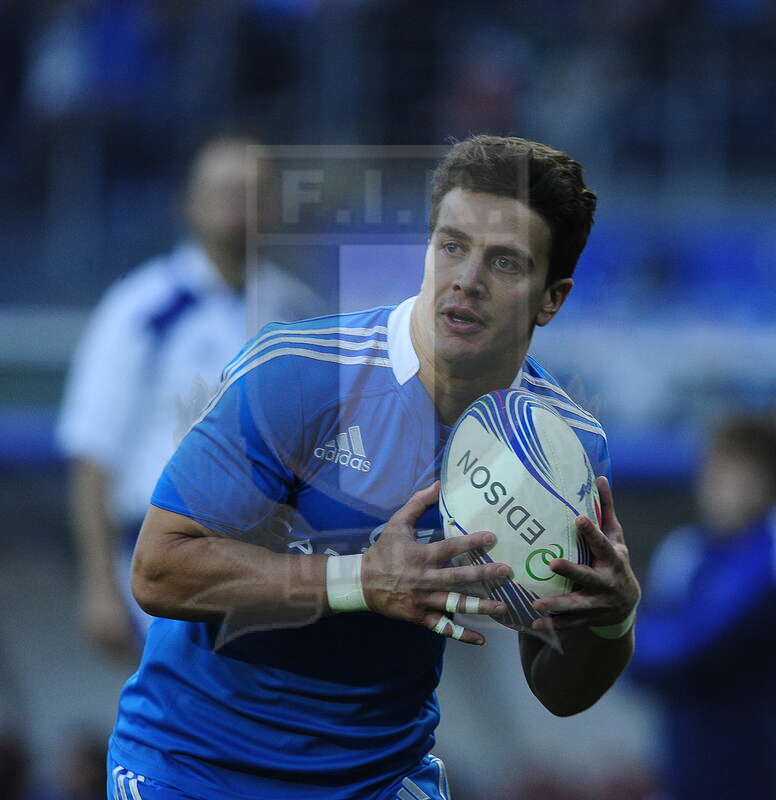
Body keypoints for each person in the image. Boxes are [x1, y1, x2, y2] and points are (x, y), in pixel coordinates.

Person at [108, 135, 641, 799]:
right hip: (195, 768)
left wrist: (610, 622)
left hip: (379, 780)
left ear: (551, 299)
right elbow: (157, 569)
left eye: (504, 263)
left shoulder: (566, 452)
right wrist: (357, 578)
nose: (466, 280)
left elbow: (561, 691)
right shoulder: (297, 375)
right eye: (451, 246)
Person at [57, 132, 321, 658]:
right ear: (188, 203)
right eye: (222, 190)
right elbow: (92, 456)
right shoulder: (143, 309)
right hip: (163, 558)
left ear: (273, 207)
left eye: (250, 192)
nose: (235, 206)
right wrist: (98, 586)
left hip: (272, 567)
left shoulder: (299, 312)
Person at [629, 415, 776, 800]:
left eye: (739, 474)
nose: (720, 487)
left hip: (754, 772)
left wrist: (614, 632)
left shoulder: (766, 560)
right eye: (716, 471)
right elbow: (642, 663)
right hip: (684, 769)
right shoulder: (686, 552)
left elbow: (690, 646)